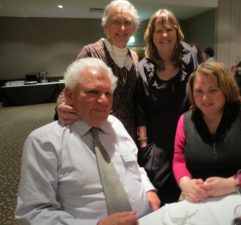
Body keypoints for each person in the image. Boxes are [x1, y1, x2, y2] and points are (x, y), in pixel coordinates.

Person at [15, 58, 160, 225]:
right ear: (69, 95)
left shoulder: (116, 125)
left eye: (108, 93)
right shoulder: (44, 141)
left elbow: (134, 166)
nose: (104, 101)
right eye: (92, 92)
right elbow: (33, 212)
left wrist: (148, 189)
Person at [173, 62, 241, 203]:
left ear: (226, 89)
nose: (205, 98)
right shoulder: (185, 120)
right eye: (199, 91)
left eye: (213, 90)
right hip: (205, 201)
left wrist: (234, 183)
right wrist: (185, 183)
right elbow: (178, 161)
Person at [136, 9, 198, 205]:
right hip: (158, 139)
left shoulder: (190, 57)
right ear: (151, 36)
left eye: (169, 29)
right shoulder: (143, 66)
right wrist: (145, 145)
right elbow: (140, 108)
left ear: (176, 32)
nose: (164, 35)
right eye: (158, 30)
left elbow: (197, 95)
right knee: (161, 192)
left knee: (193, 189)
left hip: (187, 135)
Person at [55, 0, 140, 141]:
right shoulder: (91, 51)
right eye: (116, 22)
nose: (122, 28)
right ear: (106, 27)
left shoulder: (135, 57)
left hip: (128, 130)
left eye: (127, 22)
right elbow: (69, 88)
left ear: (133, 28)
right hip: (97, 127)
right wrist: (61, 107)